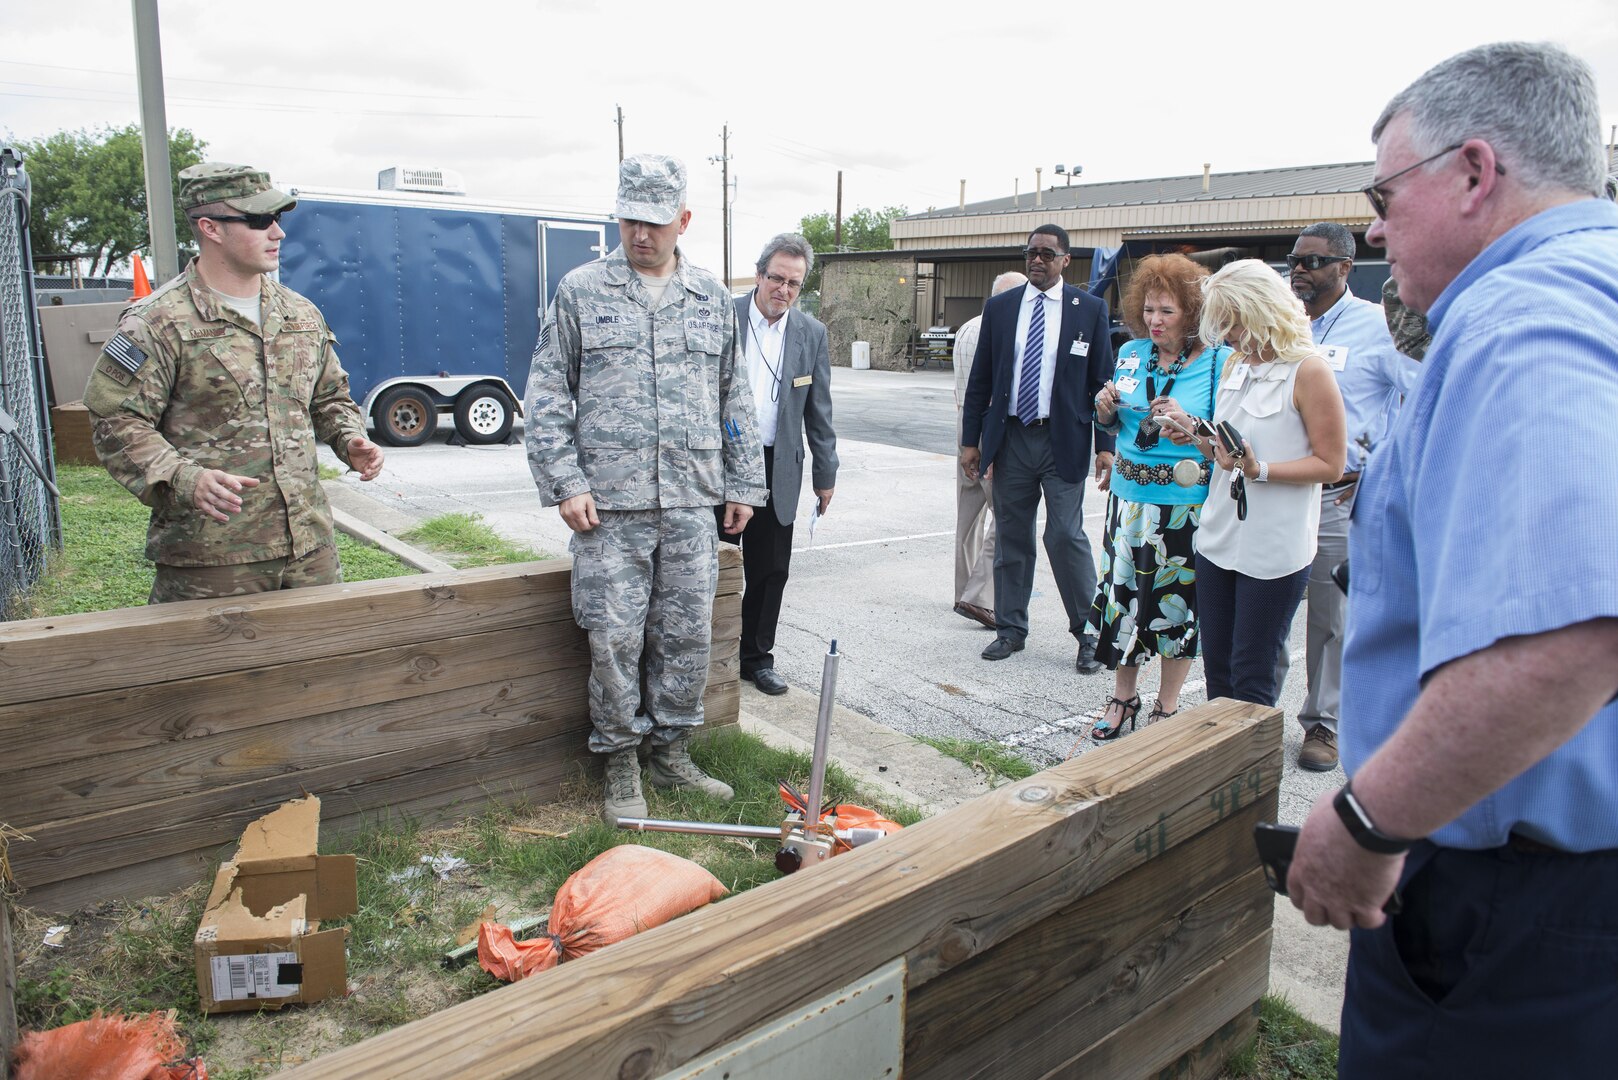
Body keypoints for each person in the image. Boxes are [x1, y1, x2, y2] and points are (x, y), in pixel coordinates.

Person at [1284, 42, 1618, 1077]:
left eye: (1385, 192)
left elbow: (1568, 636)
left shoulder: (1521, 322)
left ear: (1474, 173)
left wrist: (1367, 822)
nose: (1375, 228)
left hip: (1509, 923)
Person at [526, 154, 767, 825]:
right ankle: (621, 760)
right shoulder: (581, 291)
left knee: (687, 636)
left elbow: (734, 394)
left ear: (683, 220)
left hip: (691, 501)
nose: (640, 234)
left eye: (655, 222)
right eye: (630, 219)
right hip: (609, 508)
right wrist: (564, 481)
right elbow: (546, 394)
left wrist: (744, 481)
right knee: (612, 639)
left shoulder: (714, 300)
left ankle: (672, 752)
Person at [83, 162, 384, 604]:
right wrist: (184, 478)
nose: (277, 233)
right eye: (260, 221)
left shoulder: (299, 314)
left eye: (278, 220)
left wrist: (349, 438)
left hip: (309, 548)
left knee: (312, 669)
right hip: (212, 558)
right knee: (213, 674)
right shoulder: (157, 322)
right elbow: (115, 419)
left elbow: (329, 397)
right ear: (210, 228)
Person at [1162, 260, 1345, 707]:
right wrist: (1194, 433)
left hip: (1274, 546)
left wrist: (1260, 470)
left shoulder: (1309, 370)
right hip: (1219, 536)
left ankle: (1251, 775)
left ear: (1261, 310)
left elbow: (1331, 464)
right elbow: (1227, 452)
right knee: (1218, 673)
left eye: (1233, 322)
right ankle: (1220, 771)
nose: (1226, 334)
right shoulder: (1235, 366)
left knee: (1252, 674)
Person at [1277, 223, 1419, 772]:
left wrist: (1381, 470)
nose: (1300, 271)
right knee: (1269, 608)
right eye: (1295, 261)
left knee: (1330, 617)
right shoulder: (1282, 328)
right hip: (1278, 489)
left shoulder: (1377, 328)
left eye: (1313, 262)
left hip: (1336, 496)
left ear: (1344, 268)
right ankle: (1251, 713)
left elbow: (1414, 401)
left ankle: (1323, 724)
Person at [1085, 255, 1230, 741]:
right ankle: (1122, 698)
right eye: (1148, 310)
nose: (1155, 321)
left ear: (1192, 311)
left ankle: (1166, 709)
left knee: (1175, 605)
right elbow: (1114, 422)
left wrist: (1190, 422)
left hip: (1184, 506)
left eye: (1166, 311)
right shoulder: (1129, 352)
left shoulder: (1218, 362)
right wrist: (1104, 412)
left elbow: (1229, 436)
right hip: (1128, 504)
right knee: (1122, 600)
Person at [960, 225, 1116, 672]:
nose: (1037, 260)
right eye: (1031, 253)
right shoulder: (1002, 308)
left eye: (1047, 254)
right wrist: (972, 441)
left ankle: (1087, 633)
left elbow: (1102, 383)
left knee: (1065, 535)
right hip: (1010, 439)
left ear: (1066, 260)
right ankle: (1011, 629)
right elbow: (981, 382)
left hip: (1062, 439)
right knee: (1012, 535)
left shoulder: (1088, 310)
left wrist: (1105, 444)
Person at [718, 233, 837, 697]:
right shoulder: (721, 316)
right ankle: (708, 654)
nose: (783, 290)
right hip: (720, 465)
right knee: (714, 566)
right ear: (759, 274)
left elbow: (819, 412)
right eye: (776, 279)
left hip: (777, 465)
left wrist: (826, 476)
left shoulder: (811, 333)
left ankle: (756, 658)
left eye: (794, 283)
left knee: (770, 570)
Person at [951, 271, 1026, 630]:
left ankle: (962, 589)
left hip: (964, 430)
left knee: (968, 519)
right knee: (1006, 516)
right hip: (989, 433)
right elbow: (995, 392)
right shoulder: (999, 331)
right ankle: (979, 597)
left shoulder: (966, 328)